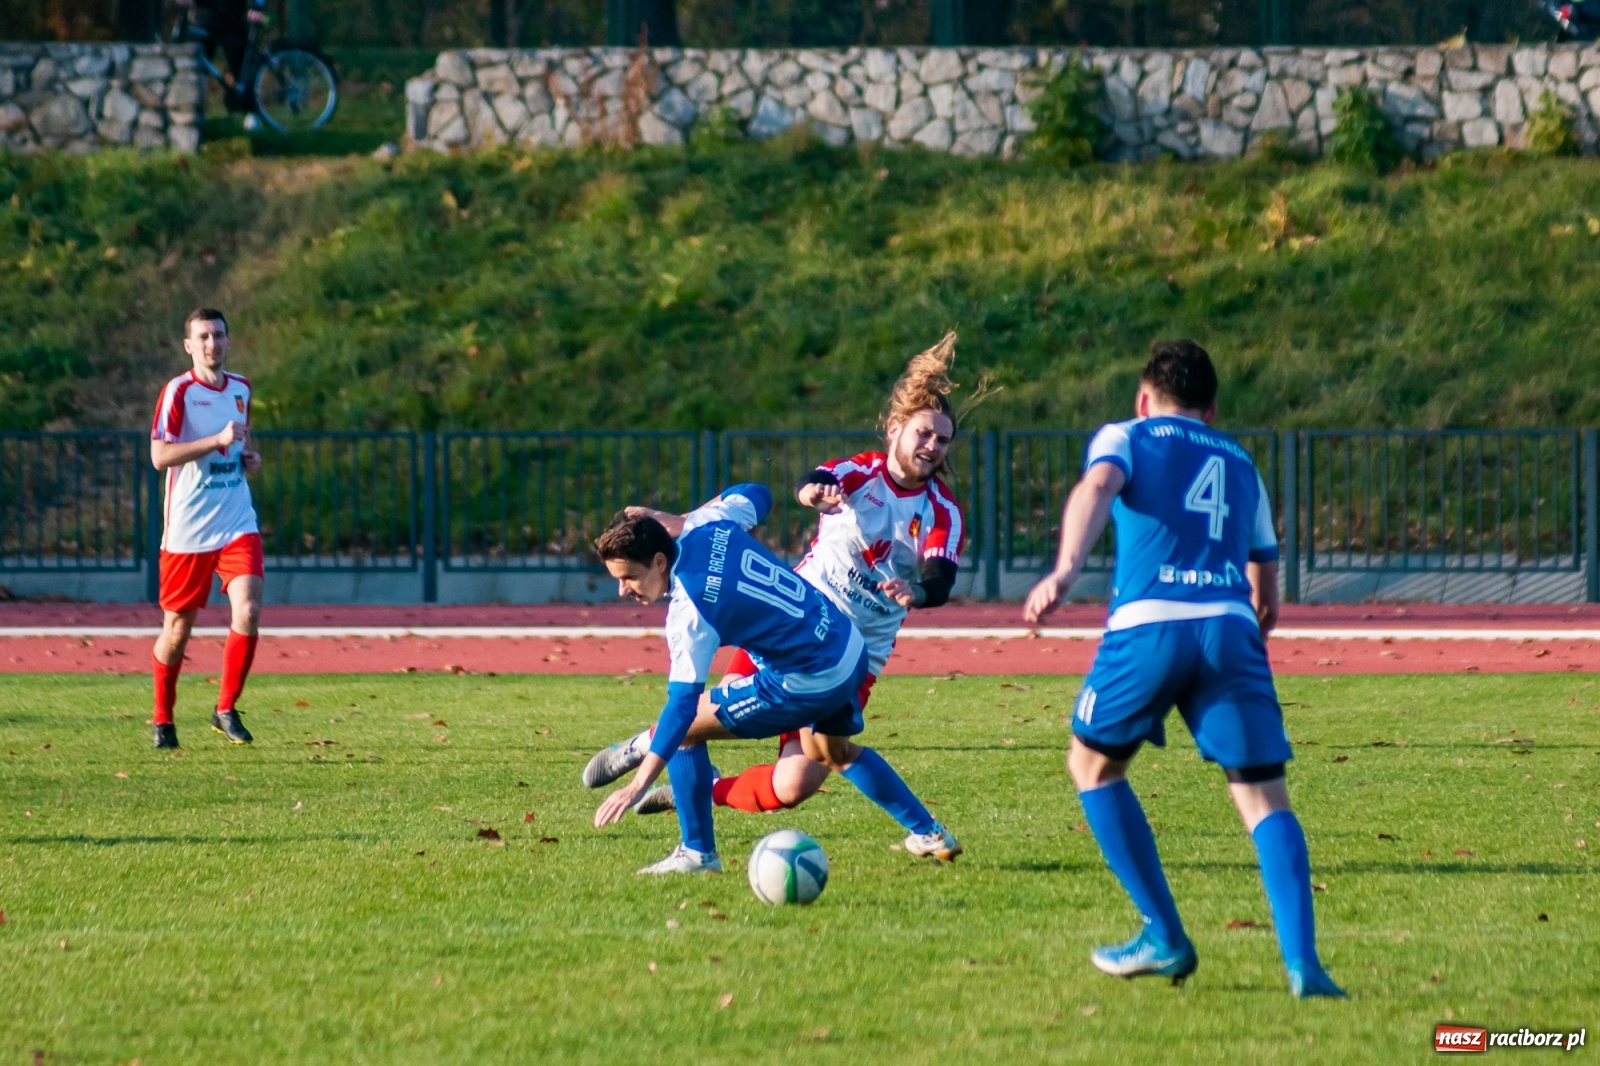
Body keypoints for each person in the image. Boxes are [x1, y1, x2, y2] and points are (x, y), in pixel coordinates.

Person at [1022, 340, 1343, 999]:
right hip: (1230, 628)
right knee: (1262, 797)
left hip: (1150, 625)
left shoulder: (1126, 434)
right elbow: (1268, 595)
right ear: (1213, 407)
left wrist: (1065, 568)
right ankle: (1304, 967)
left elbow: (1097, 486)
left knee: (1092, 766)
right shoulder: (1241, 461)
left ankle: (1164, 935)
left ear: (1145, 398)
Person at [587, 333, 968, 816]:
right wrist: (813, 494)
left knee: (793, 787)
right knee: (696, 716)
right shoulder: (862, 472)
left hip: (858, 653)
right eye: (924, 433)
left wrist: (915, 589)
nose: (933, 446)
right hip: (791, 623)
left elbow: (940, 577)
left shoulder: (943, 511)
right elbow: (816, 479)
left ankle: (703, 790)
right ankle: (650, 753)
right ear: (894, 429)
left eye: (943, 439)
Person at [590, 486, 961, 874]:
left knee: (686, 730)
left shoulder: (690, 611)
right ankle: (930, 833)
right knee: (832, 754)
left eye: (629, 577)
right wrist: (684, 518)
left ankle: (698, 854)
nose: (623, 590)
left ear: (660, 560)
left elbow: (682, 707)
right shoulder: (708, 523)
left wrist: (637, 785)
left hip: (808, 679)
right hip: (847, 647)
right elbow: (757, 493)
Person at [148, 308, 264, 749]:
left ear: (228, 341)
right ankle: (163, 720)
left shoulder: (241, 388)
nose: (212, 344)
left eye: (218, 335)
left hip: (236, 519)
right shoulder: (178, 392)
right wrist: (212, 443)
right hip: (189, 529)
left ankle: (225, 708)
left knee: (249, 609)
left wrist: (249, 459)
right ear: (189, 346)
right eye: (203, 337)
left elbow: (241, 442)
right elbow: (160, 456)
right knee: (178, 628)